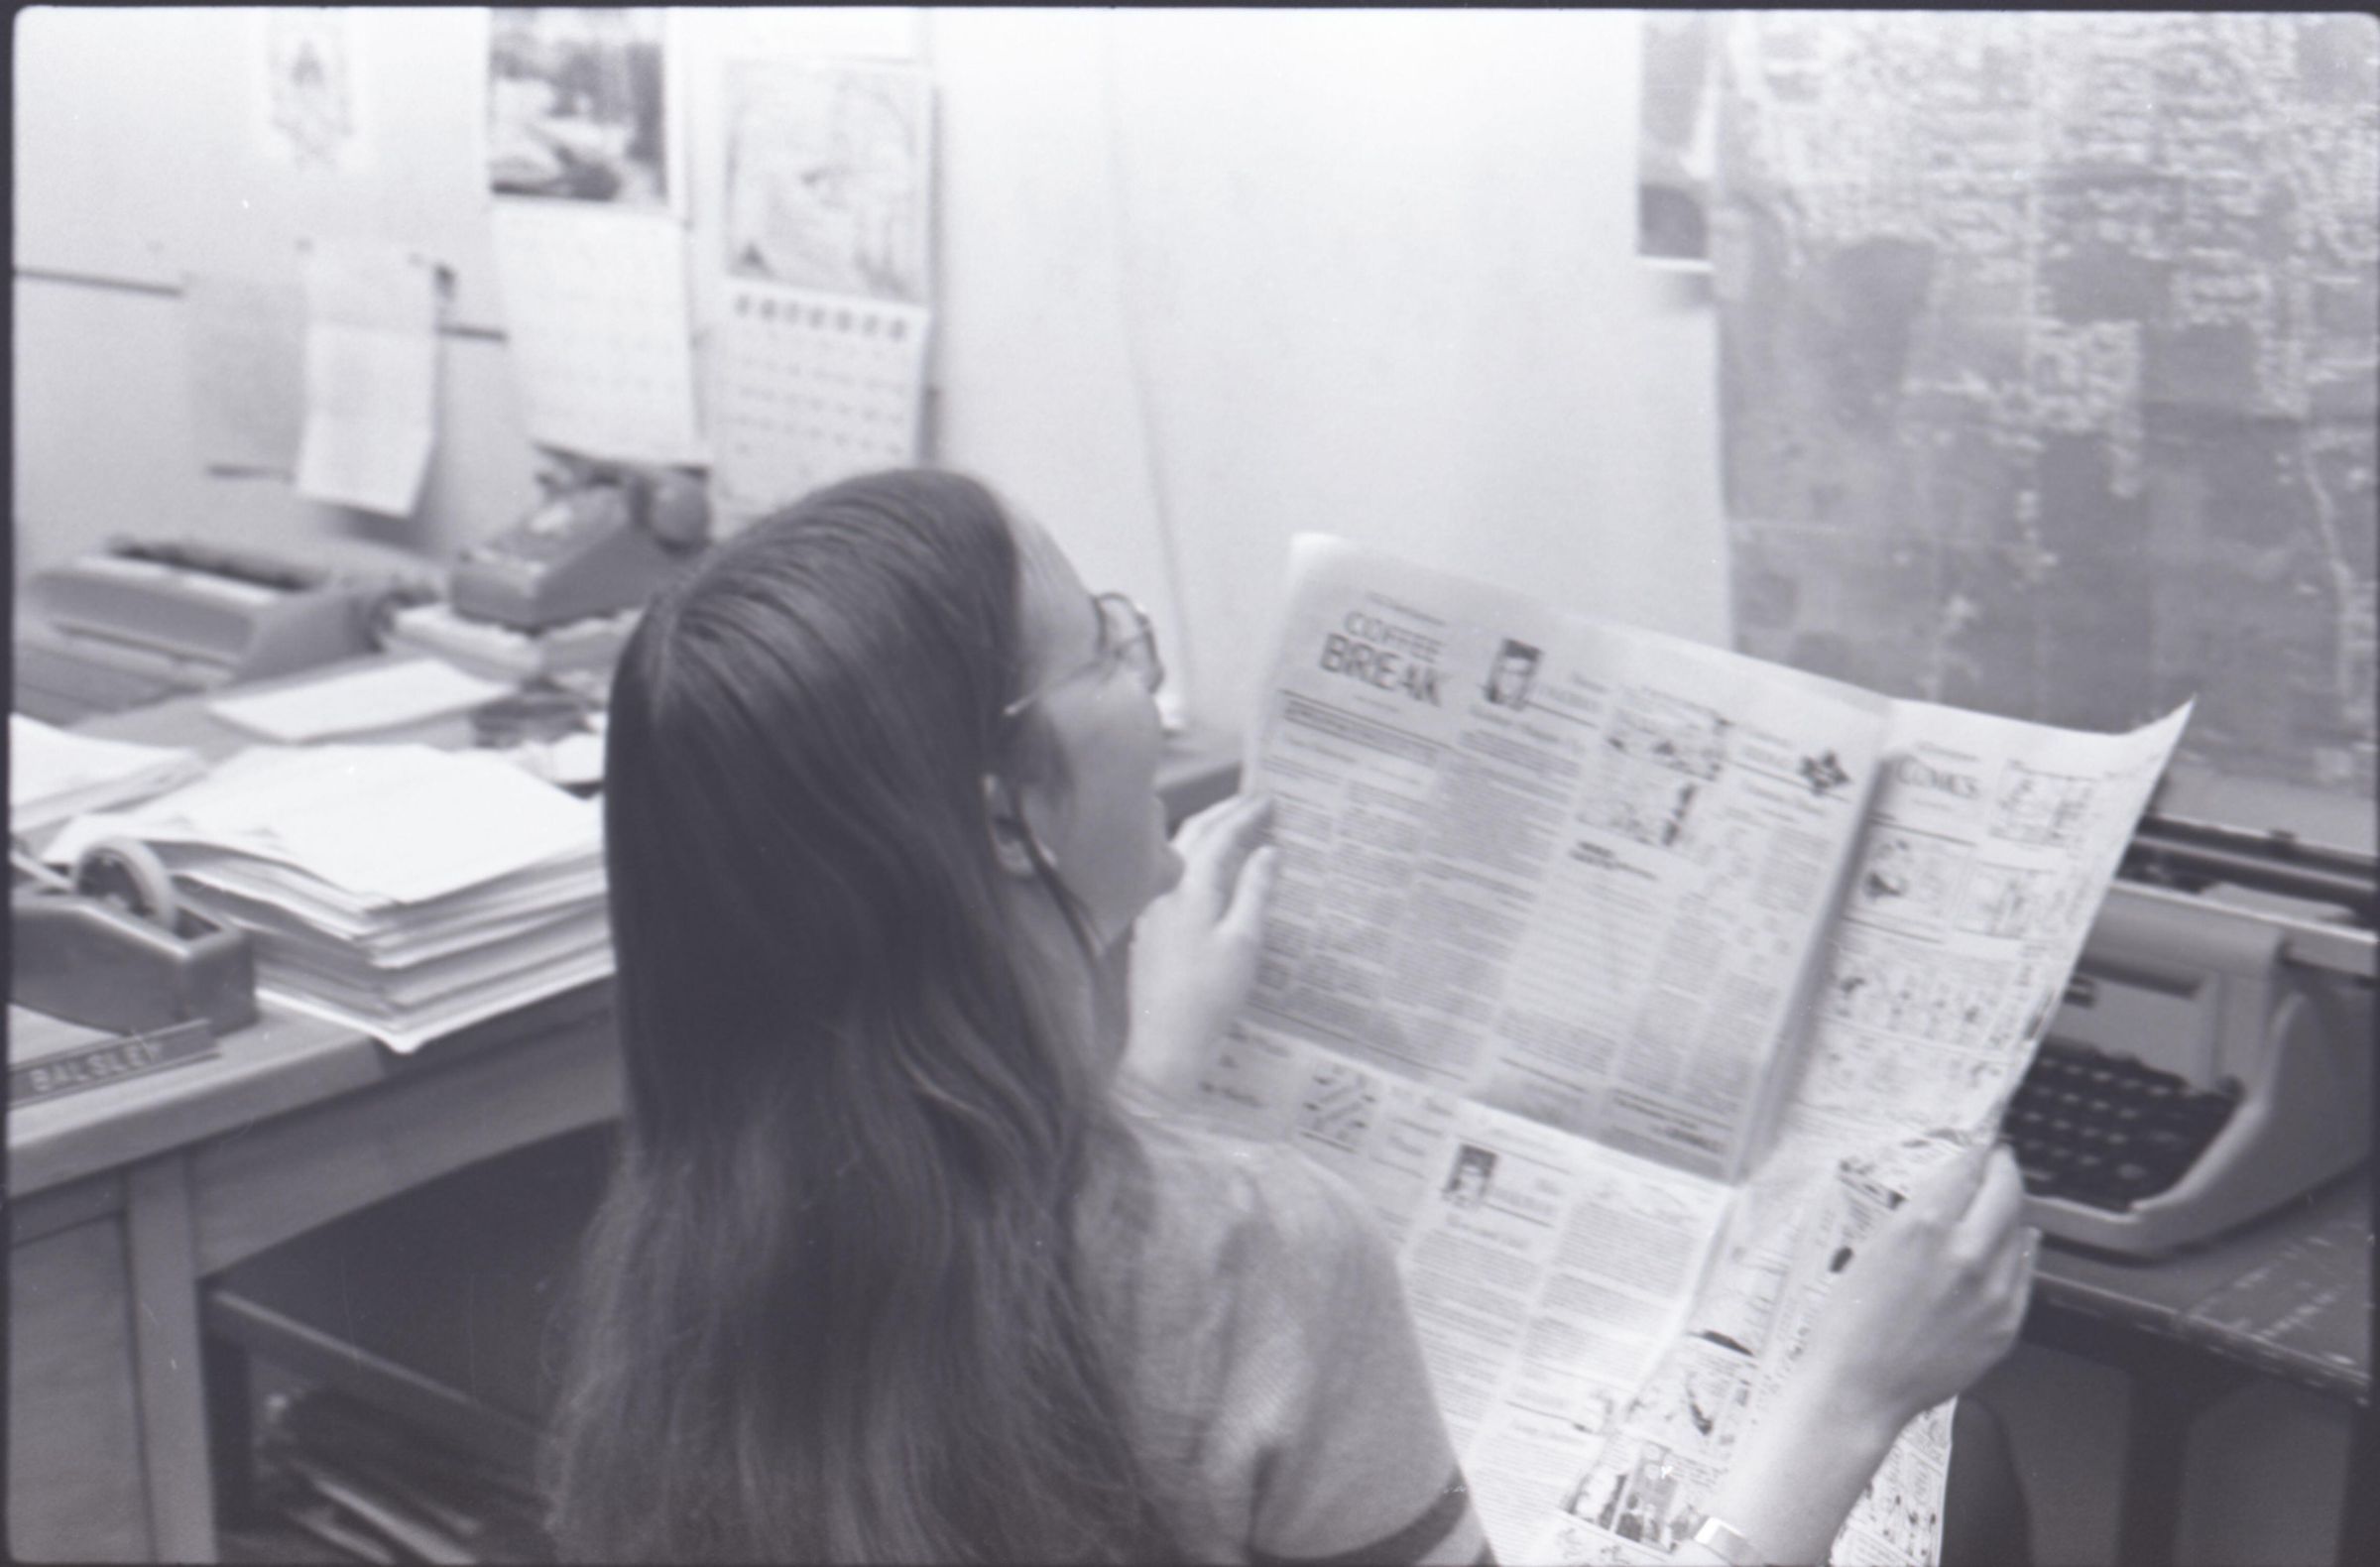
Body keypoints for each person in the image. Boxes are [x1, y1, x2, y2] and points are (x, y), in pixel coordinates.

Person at [542, 468, 2038, 1565]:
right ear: (1004, 814)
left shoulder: (688, 1243)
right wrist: (1848, 1395)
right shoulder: (1261, 1252)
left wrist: (1156, 1082)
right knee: (1963, 1483)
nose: (1147, 671)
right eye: (1105, 646)